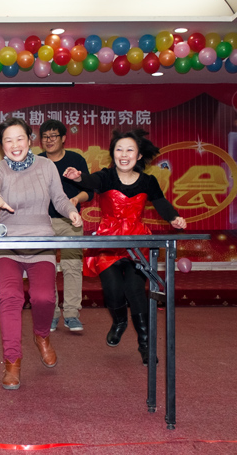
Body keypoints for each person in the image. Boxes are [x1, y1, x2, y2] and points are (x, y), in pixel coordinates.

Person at [64, 129, 187, 366]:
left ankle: (145, 345)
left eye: (130, 150)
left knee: (135, 290)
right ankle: (119, 321)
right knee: (113, 291)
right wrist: (77, 178)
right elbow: (90, 181)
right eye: (119, 149)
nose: (124, 154)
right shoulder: (106, 176)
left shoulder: (148, 181)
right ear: (113, 154)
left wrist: (174, 218)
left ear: (138, 155)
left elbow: (161, 203)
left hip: (136, 243)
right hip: (109, 242)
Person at [0, 118, 83, 390]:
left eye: (20, 138)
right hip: (8, 246)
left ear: (29, 140)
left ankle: (41, 336)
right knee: (11, 297)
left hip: (41, 243)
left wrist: (71, 211)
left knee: (44, 297)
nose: (15, 144)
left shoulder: (46, 166)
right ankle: (12, 362)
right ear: (2, 146)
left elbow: (59, 198)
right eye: (8, 140)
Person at [38, 119, 93, 333]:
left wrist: (76, 199)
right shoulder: (36, 161)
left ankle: (71, 314)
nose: (49, 140)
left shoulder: (76, 159)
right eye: (45, 136)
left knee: (72, 267)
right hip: (43, 222)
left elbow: (89, 191)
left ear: (63, 138)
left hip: (71, 221)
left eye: (53, 136)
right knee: (45, 269)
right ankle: (51, 314)